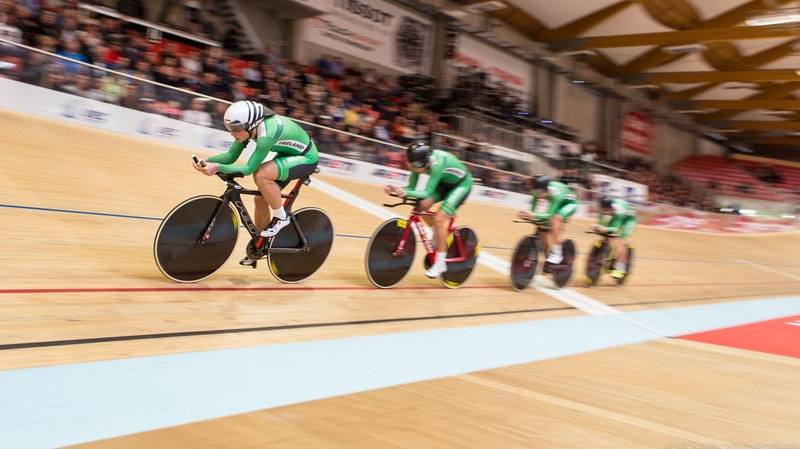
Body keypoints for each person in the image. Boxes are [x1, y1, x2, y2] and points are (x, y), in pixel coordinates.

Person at [193, 100, 319, 268]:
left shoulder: (267, 133)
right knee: (260, 200)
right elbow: (231, 157)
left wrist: (216, 168)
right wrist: (207, 160)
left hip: (306, 158)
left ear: (252, 125)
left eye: (236, 129)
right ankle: (261, 245)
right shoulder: (250, 128)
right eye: (230, 129)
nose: (232, 133)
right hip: (287, 154)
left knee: (261, 174)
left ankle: (281, 217)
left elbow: (249, 169)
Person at [384, 142, 473, 278]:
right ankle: (437, 235)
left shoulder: (436, 165)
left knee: (439, 219)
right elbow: (411, 188)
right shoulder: (417, 163)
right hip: (444, 182)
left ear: (425, 162)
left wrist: (407, 193)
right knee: (421, 206)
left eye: (417, 166)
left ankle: (440, 263)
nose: (414, 168)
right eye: (410, 165)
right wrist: (396, 189)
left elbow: (426, 192)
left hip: (461, 185)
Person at [517, 175, 578, 267]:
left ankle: (558, 253)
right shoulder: (536, 192)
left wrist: (533, 215)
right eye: (535, 191)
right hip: (558, 203)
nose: (537, 194)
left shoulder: (556, 194)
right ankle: (548, 256)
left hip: (569, 203)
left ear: (547, 189)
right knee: (542, 229)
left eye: (540, 192)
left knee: (555, 219)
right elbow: (533, 211)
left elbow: (549, 215)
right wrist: (526, 214)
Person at [592, 196, 637, 279]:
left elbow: (615, 228)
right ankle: (606, 258)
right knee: (606, 236)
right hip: (617, 217)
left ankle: (620, 268)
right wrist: (597, 227)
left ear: (612, 207)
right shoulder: (602, 210)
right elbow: (601, 223)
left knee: (620, 241)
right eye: (604, 210)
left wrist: (604, 229)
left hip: (628, 219)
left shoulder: (618, 210)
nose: (606, 212)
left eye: (608, 210)